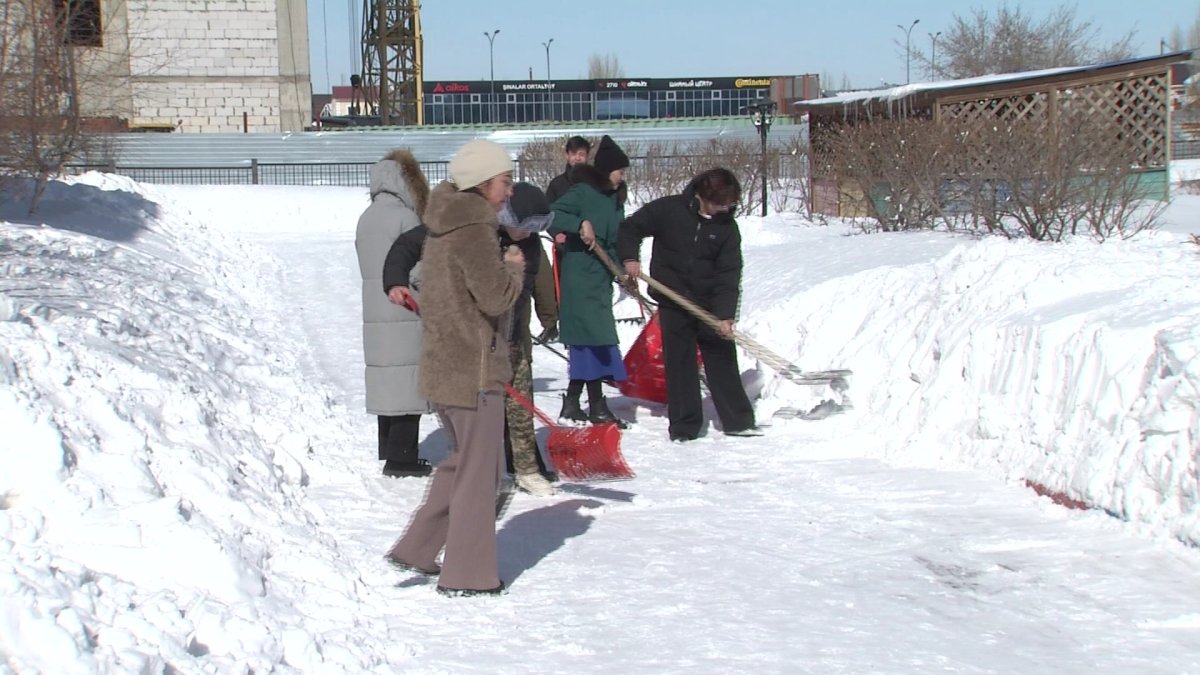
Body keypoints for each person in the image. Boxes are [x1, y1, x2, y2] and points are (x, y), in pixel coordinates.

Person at [387, 139, 525, 597]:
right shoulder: (474, 231)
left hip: (447, 367)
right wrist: (514, 268)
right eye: (506, 182)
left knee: (462, 465)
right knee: (480, 477)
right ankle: (468, 575)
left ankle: (417, 549)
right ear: (485, 184)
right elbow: (496, 297)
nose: (510, 191)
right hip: (473, 371)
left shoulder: (444, 225)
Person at [382, 183, 558, 497]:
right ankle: (476, 468)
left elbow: (537, 284)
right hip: (471, 339)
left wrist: (550, 316)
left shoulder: (530, 245)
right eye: (525, 225)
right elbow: (405, 246)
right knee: (477, 409)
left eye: (538, 227)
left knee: (520, 407)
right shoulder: (472, 232)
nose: (529, 233)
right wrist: (395, 281)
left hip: (513, 337)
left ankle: (526, 469)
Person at [617, 167, 760, 442]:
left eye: (729, 205)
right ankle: (684, 426)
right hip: (673, 299)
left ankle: (738, 421)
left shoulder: (727, 228)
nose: (724, 209)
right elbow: (630, 228)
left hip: (708, 305)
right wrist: (629, 258)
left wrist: (725, 316)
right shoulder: (670, 210)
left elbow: (729, 274)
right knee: (679, 363)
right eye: (720, 204)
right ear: (704, 196)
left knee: (721, 358)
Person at [354, 148, 433, 478]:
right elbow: (417, 264)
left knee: (387, 376)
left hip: (375, 304)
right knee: (406, 378)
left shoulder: (366, 217)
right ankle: (403, 458)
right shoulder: (406, 217)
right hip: (404, 305)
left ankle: (388, 448)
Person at [549, 134, 631, 428]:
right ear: (608, 169)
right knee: (592, 339)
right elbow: (552, 213)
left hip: (601, 277)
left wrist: (622, 271)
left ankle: (572, 403)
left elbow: (615, 239)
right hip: (580, 276)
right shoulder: (583, 192)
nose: (623, 176)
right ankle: (596, 406)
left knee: (595, 340)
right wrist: (578, 224)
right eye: (620, 170)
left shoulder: (615, 199)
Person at [545, 135, 591, 204]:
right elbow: (549, 211)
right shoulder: (556, 184)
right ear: (567, 155)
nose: (577, 158)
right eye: (573, 154)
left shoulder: (595, 183)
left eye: (581, 154)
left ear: (587, 156)